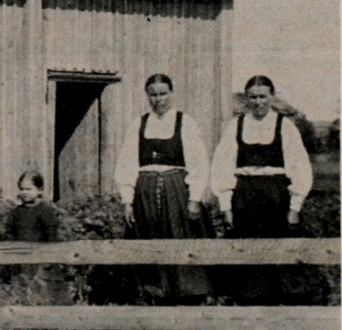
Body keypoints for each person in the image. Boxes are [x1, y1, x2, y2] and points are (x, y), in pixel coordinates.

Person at [210, 75, 315, 304]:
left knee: (281, 245)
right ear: (246, 99)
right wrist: (226, 205)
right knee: (247, 247)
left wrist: (295, 206)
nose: (258, 102)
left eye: (263, 96)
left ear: (272, 97)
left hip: (277, 195)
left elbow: (300, 167)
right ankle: (251, 303)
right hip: (245, 195)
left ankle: (288, 305)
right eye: (253, 97)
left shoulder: (285, 126)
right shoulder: (235, 126)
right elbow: (222, 166)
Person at [114, 73, 214, 304]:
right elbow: (127, 164)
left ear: (171, 94)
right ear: (147, 96)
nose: (158, 99)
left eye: (163, 94)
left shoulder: (185, 122)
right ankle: (154, 296)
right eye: (153, 94)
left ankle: (188, 298)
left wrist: (194, 198)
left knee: (181, 239)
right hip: (145, 194)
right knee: (148, 240)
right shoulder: (138, 124)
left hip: (176, 191)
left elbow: (198, 163)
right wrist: (127, 201)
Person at [4, 170, 69, 305]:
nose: (24, 192)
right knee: (22, 289)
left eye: (29, 189)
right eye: (22, 189)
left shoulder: (45, 211)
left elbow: (51, 235)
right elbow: (9, 232)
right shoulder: (16, 212)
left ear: (39, 190)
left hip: (42, 259)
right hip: (20, 259)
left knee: (46, 292)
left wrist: (48, 259)